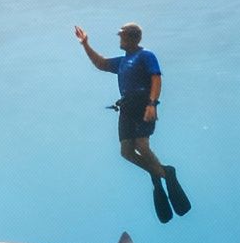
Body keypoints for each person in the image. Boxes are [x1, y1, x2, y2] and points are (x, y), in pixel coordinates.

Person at [75, 22, 191, 223]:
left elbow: (156, 78)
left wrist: (152, 104)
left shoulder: (146, 56)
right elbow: (101, 64)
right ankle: (161, 173)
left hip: (143, 105)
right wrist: (85, 44)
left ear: (131, 37)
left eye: (122, 35)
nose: (119, 38)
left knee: (142, 146)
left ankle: (163, 175)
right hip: (127, 108)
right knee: (126, 152)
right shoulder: (123, 61)